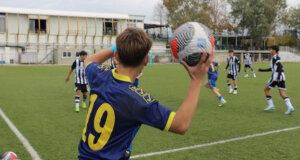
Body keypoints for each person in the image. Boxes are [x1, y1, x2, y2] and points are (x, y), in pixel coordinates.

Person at [78, 28, 214, 160]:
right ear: (146, 60)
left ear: (117, 56)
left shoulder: (99, 75)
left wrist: (117, 48)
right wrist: (196, 81)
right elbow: (180, 125)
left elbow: (89, 61)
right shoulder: (137, 100)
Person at [258, 45, 295, 115]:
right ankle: (290, 107)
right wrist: (262, 70)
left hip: (276, 77)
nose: (270, 50)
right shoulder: (275, 58)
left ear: (274, 50)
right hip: (282, 77)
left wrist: (278, 77)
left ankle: (271, 105)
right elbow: (272, 69)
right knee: (282, 93)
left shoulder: (275, 57)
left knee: (266, 89)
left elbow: (280, 67)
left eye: (271, 49)